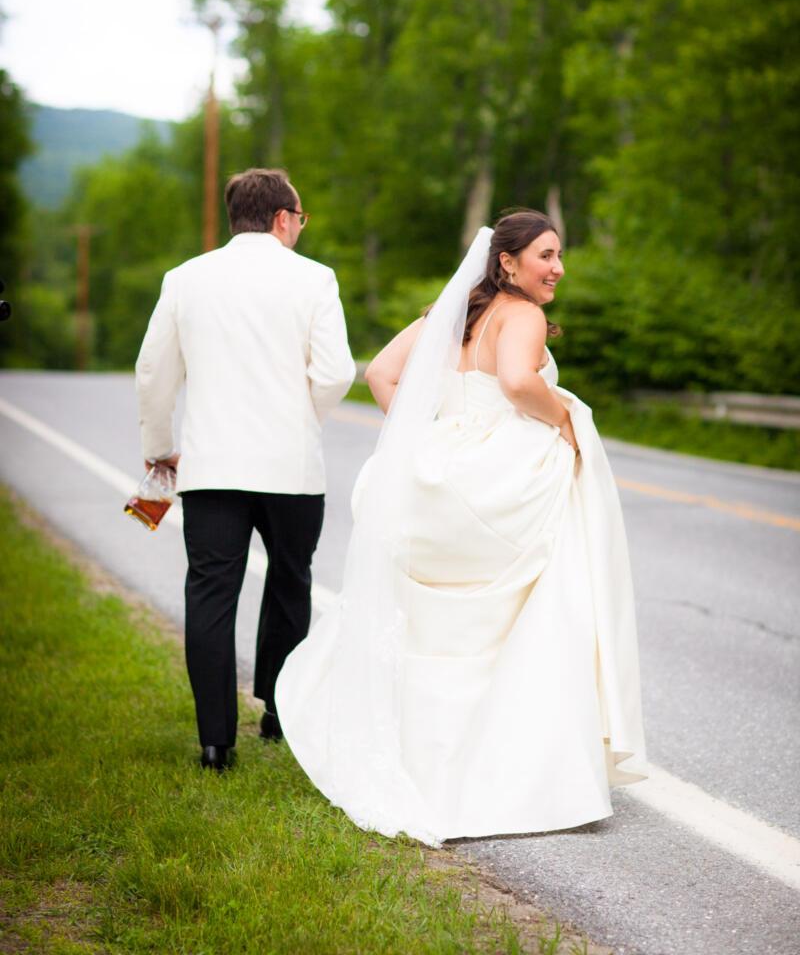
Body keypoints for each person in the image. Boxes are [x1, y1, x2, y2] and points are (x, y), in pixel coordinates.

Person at [276, 210, 647, 844]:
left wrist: (430, 431)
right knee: (533, 611)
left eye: (560, 256)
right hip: (504, 473)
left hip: (441, 469)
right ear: (508, 261)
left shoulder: (453, 314)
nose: (558, 268)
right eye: (546, 255)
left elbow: (380, 375)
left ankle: (424, 759)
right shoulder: (522, 315)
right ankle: (521, 769)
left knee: (442, 624)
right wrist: (565, 421)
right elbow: (516, 381)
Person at [135, 168, 355, 771]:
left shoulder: (185, 279)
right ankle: (280, 715)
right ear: (283, 218)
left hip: (212, 468)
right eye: (300, 220)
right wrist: (299, 417)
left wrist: (159, 448)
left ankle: (215, 743)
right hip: (292, 469)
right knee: (288, 583)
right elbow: (336, 372)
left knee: (210, 593)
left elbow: (154, 372)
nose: (301, 230)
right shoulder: (314, 279)